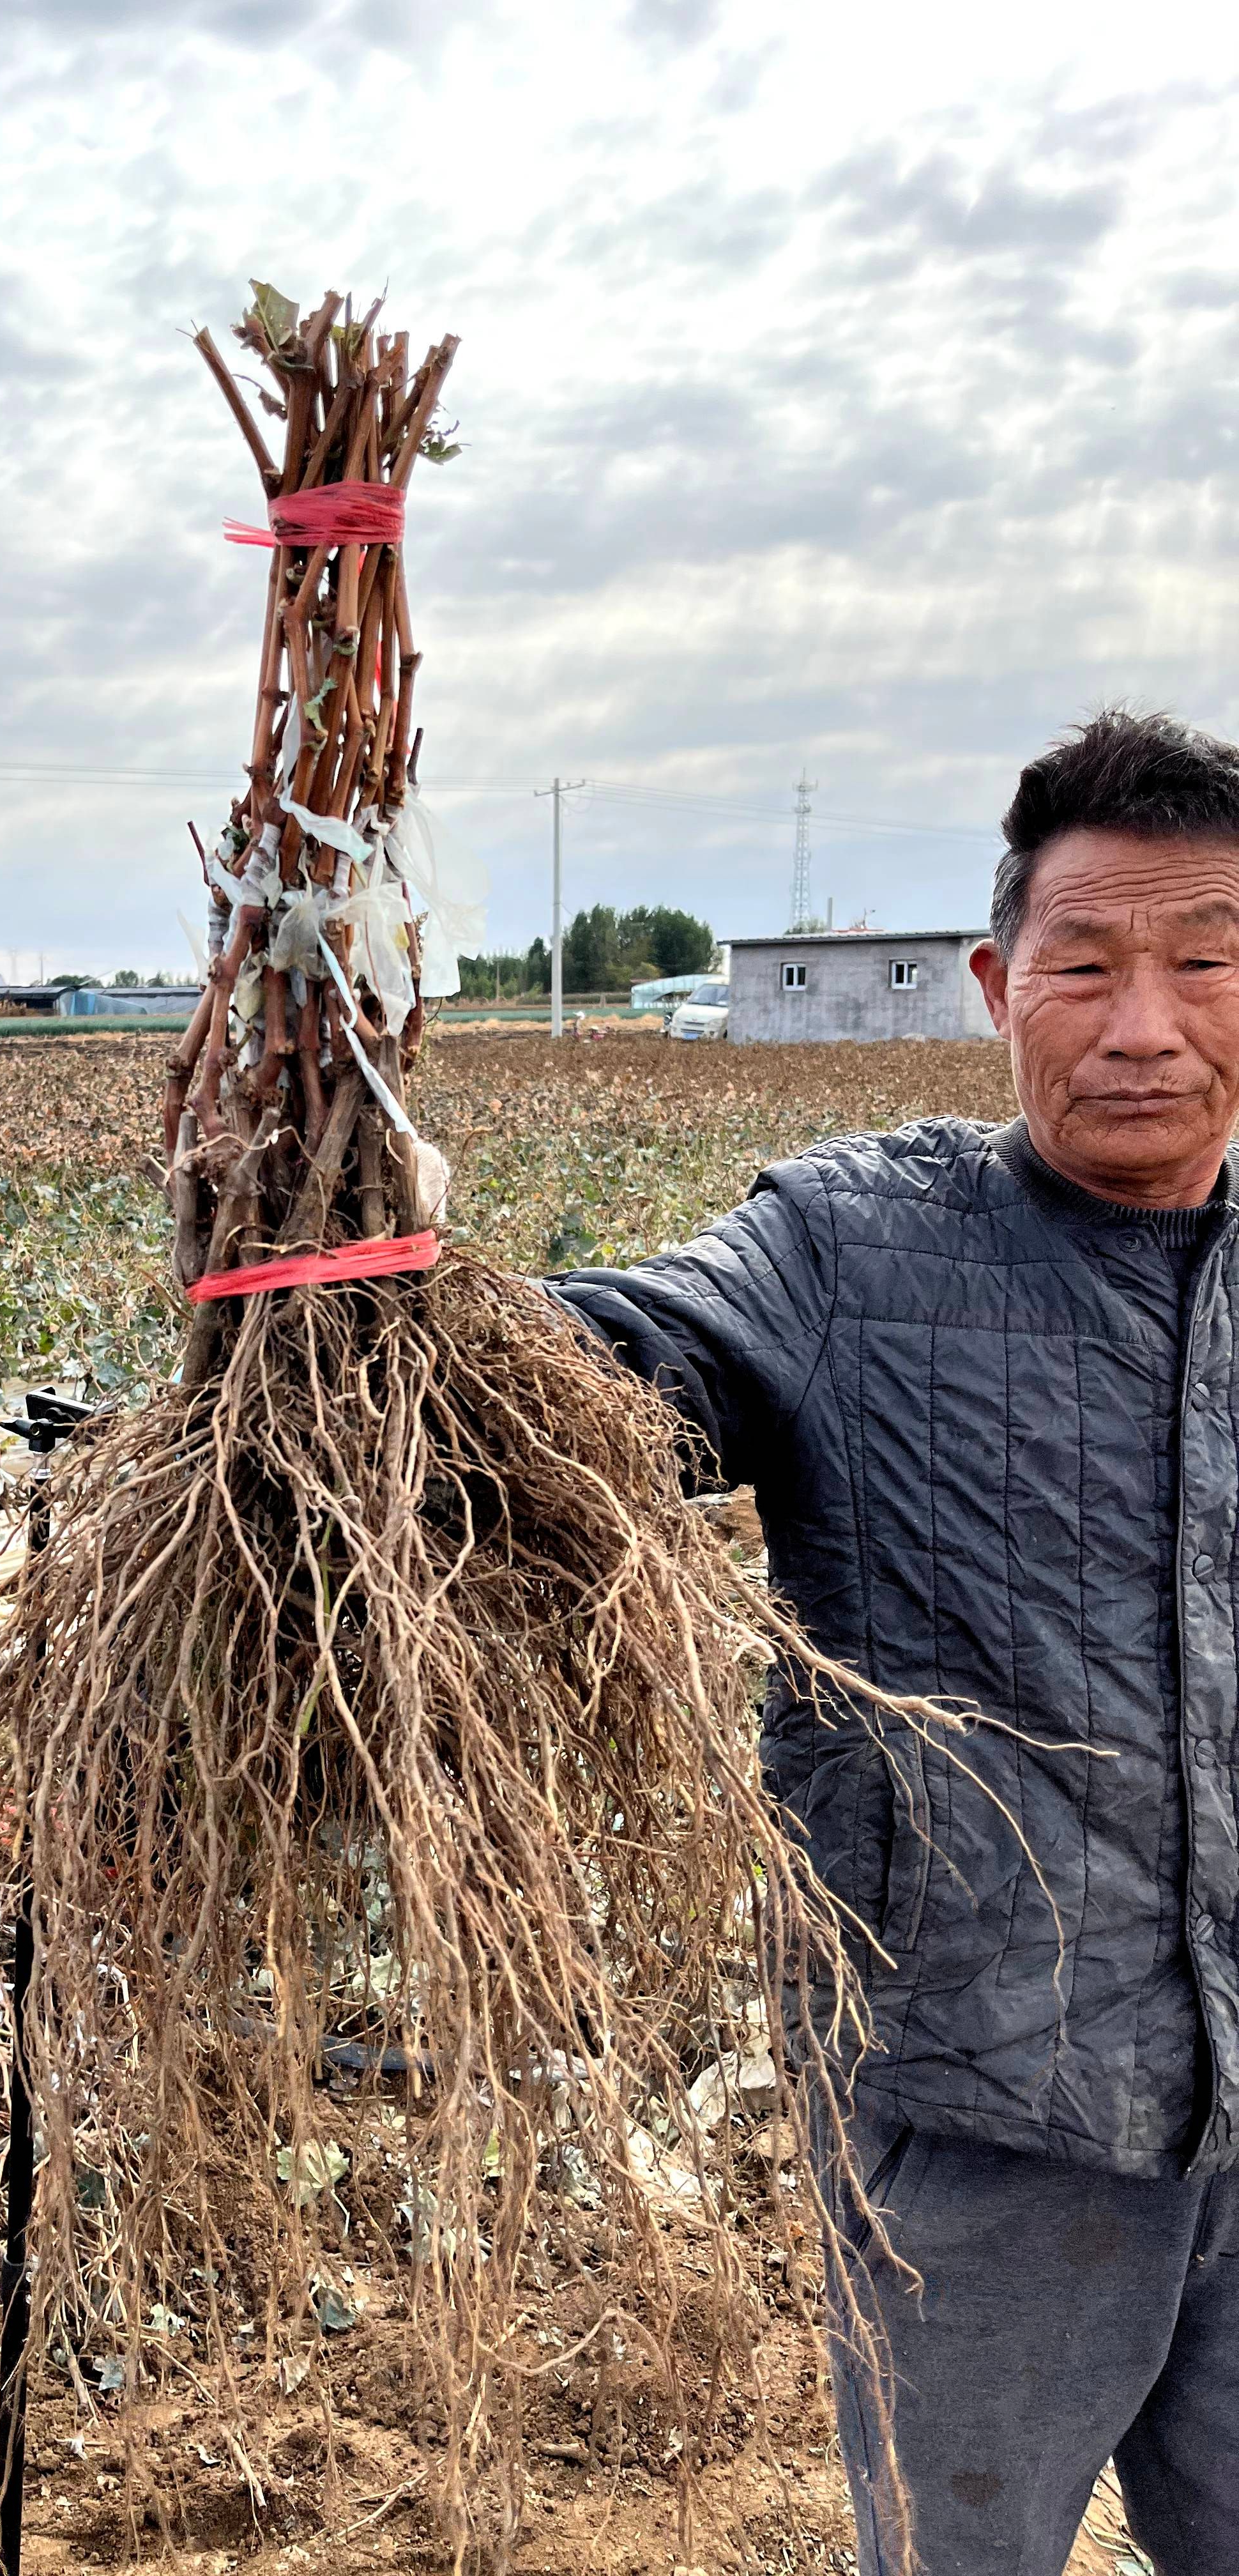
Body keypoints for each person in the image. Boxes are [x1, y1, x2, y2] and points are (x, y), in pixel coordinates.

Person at [549, 707, 1239, 2576]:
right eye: (1086, 967)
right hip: (988, 2107)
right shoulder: (852, 1252)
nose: (1144, 1025)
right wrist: (380, 1293)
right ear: (995, 983)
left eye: (1204, 962)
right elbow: (604, 1381)